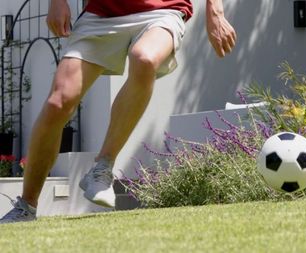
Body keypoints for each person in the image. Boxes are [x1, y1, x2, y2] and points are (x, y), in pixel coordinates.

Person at [0, 0, 236, 224]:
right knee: (58, 101)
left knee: (144, 59)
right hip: (102, 13)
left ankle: (103, 167)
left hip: (162, 9)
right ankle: (26, 206)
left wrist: (215, 11)